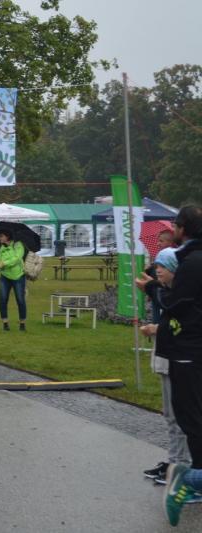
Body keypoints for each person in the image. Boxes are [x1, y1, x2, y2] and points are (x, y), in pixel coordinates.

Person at [137, 205, 202, 526]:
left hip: (187, 350)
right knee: (187, 414)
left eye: (175, 225)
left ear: (182, 228)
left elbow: (178, 307)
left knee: (188, 415)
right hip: (185, 348)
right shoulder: (191, 260)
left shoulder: (192, 263)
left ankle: (189, 477)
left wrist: (153, 288)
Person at [140, 248, 193, 488]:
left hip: (177, 359)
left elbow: (181, 326)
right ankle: (174, 462)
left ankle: (181, 464)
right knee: (170, 415)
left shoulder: (178, 296)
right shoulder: (165, 293)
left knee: (179, 417)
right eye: (157, 265)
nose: (157, 269)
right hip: (165, 357)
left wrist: (156, 329)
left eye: (162, 265)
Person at [0, 229, 27, 331]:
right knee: (3, 300)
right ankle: (5, 323)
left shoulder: (18, 245)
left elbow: (17, 259)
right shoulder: (2, 248)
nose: (0, 238)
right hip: (4, 276)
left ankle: (22, 323)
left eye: (1, 236)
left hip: (18, 276)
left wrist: (4, 263)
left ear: (7, 236)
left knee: (20, 300)